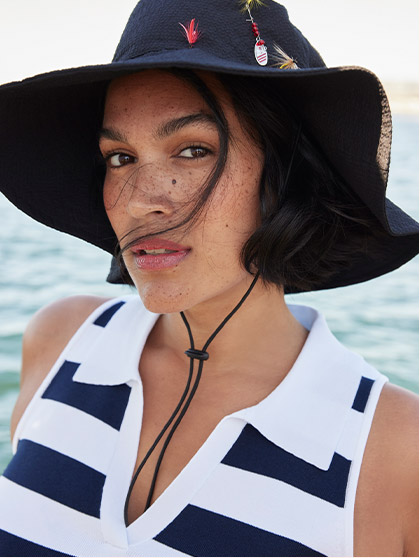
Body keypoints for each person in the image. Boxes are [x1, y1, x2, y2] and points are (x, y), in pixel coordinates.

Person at [0, 0, 418, 556]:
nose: (140, 202)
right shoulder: (60, 342)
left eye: (193, 150)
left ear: (286, 178)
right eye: (120, 157)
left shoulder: (395, 450)